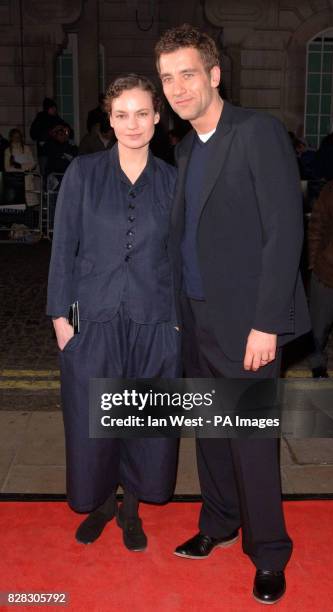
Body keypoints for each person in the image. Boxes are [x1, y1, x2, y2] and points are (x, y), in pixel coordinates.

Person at [155, 24, 310, 604]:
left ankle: (269, 552)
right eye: (168, 78)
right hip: (195, 320)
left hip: (247, 324)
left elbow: (283, 232)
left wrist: (268, 322)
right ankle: (219, 523)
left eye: (187, 74)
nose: (177, 87)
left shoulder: (257, 132)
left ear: (214, 75)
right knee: (212, 436)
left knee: (250, 440)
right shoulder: (186, 148)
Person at [46, 74, 179, 552]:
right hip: (94, 317)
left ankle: (133, 508)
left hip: (154, 317)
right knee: (92, 418)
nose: (132, 123)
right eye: (121, 114)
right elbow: (64, 247)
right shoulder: (83, 172)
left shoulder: (172, 179)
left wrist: (180, 322)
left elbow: (182, 255)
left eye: (142, 113)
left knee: (143, 421)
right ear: (110, 119)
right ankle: (102, 502)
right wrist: (60, 318)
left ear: (157, 117)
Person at [308, 176, 333, 378]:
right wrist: (313, 263)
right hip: (328, 269)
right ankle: (317, 362)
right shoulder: (331, 192)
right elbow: (316, 228)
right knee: (320, 324)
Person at [30, 98, 74, 174]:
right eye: (52, 108)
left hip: (57, 152)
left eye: (55, 108)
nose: (55, 110)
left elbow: (69, 133)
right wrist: (52, 131)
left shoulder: (57, 119)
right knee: (45, 176)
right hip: (45, 153)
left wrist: (66, 131)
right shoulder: (40, 119)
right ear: (48, 109)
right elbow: (34, 134)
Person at [4, 128, 37, 206]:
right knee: (17, 205)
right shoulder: (8, 150)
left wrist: (20, 166)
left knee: (29, 205)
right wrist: (23, 168)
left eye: (18, 136)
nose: (17, 138)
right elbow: (7, 168)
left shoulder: (27, 148)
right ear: (11, 138)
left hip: (27, 179)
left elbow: (33, 163)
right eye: (15, 136)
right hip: (15, 180)